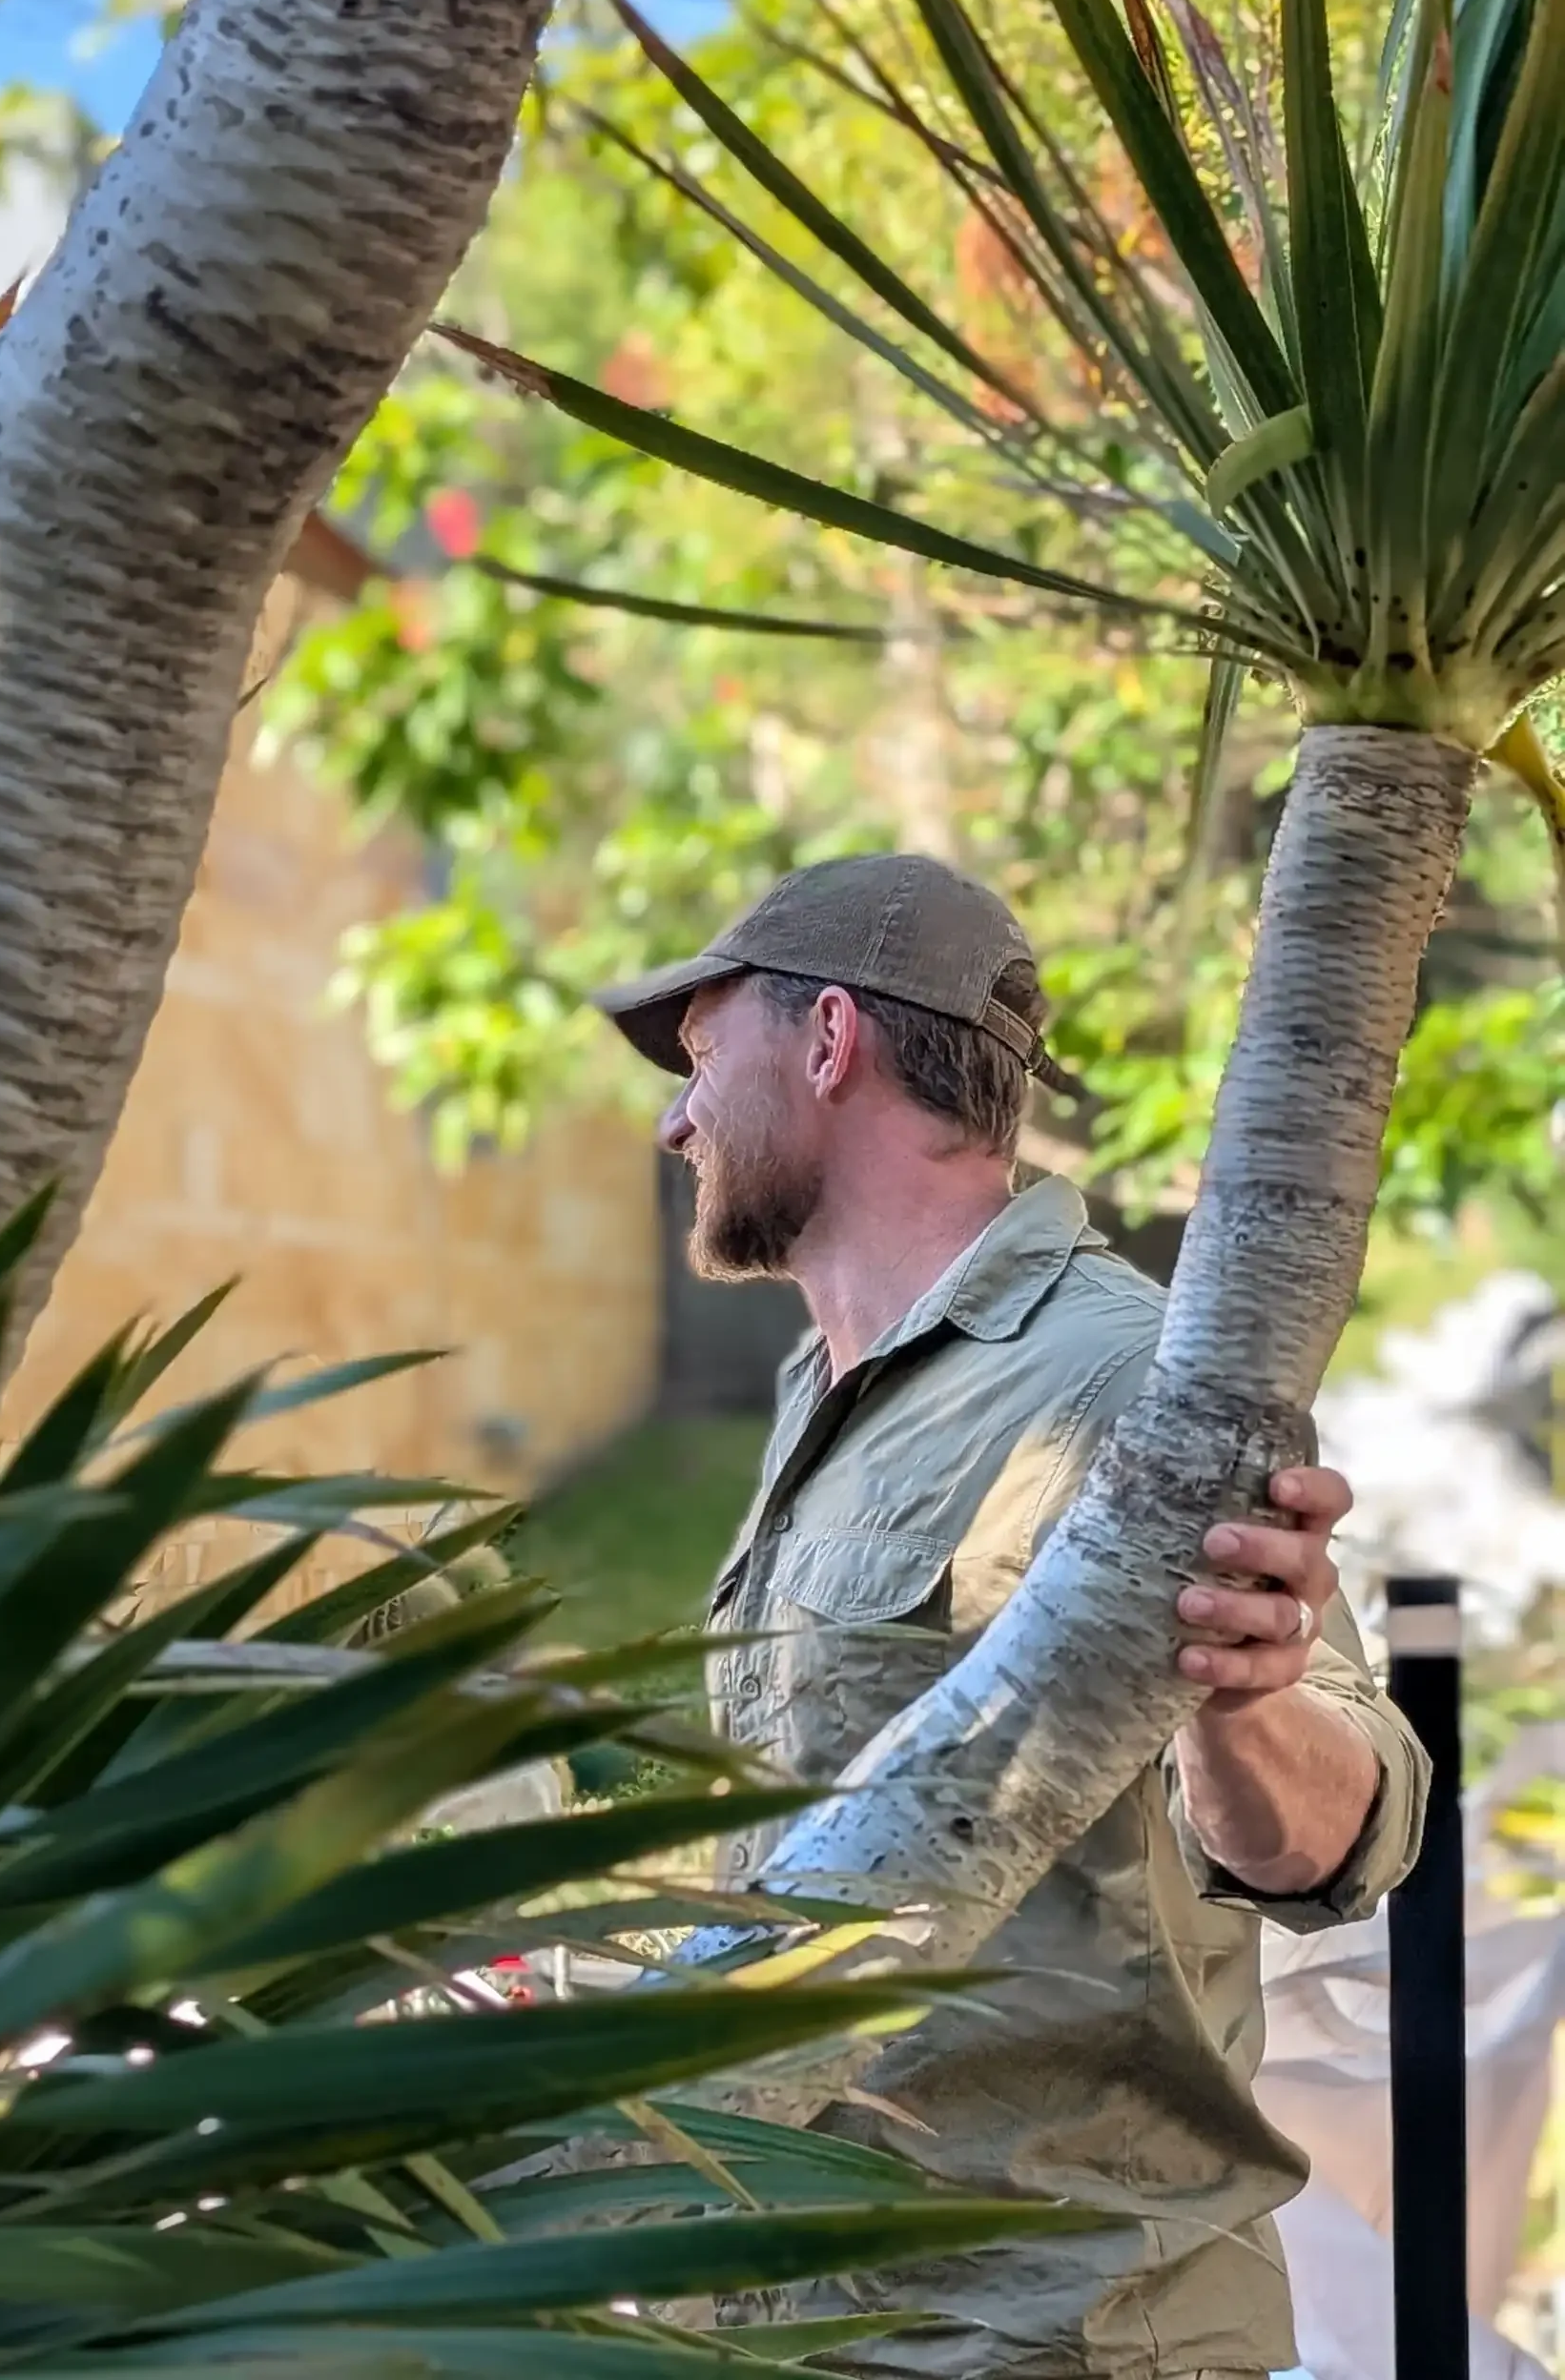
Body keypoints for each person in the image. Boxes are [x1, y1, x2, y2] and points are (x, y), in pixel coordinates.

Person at [593, 852, 1428, 2380]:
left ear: (830, 1039)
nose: (675, 1118)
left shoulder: (1122, 1378)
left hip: (1055, 2332)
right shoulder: (822, 1385)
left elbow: (1336, 1843)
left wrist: (1247, 1698)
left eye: (705, 1058)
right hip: (814, 2311)